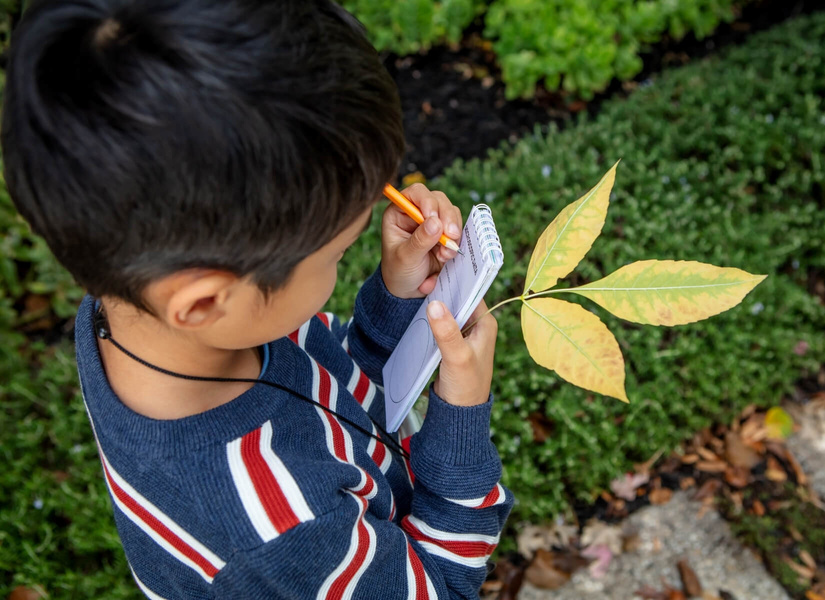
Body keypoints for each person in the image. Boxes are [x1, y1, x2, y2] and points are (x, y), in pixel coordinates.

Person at [1, 0, 513, 597]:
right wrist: (460, 419)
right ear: (202, 303)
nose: (342, 264)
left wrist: (397, 298)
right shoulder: (278, 530)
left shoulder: (142, 312)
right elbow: (443, 589)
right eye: (335, 256)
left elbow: (338, 393)